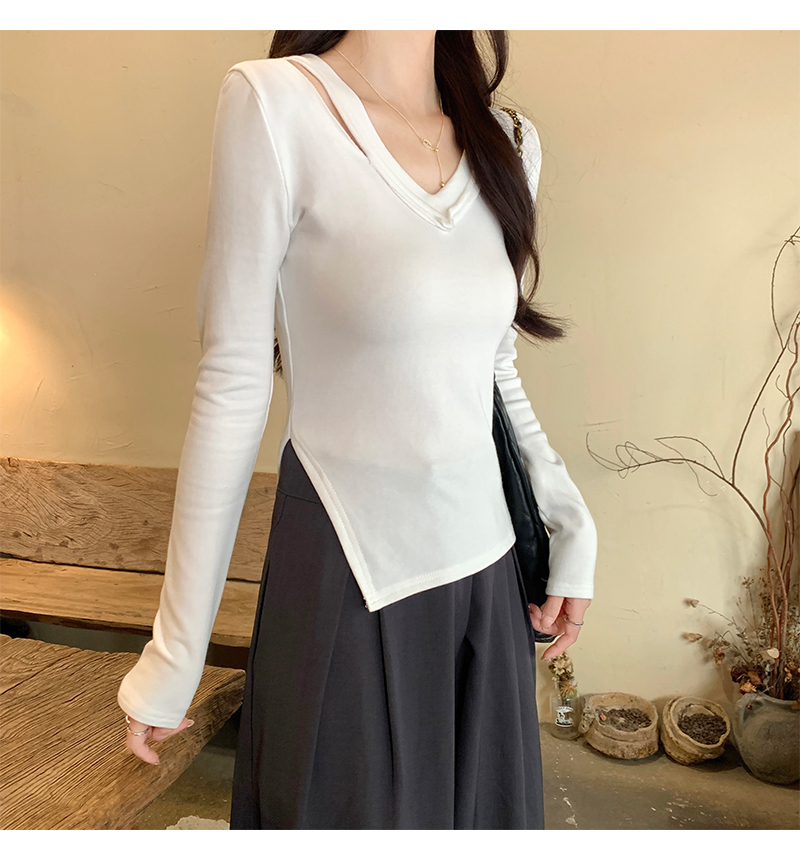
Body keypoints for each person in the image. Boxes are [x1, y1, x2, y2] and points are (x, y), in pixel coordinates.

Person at [118, 30, 597, 829]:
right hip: (348, 567)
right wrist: (175, 654)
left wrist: (569, 523)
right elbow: (233, 382)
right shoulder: (274, 105)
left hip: (487, 579)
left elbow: (493, 366)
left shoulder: (510, 141)